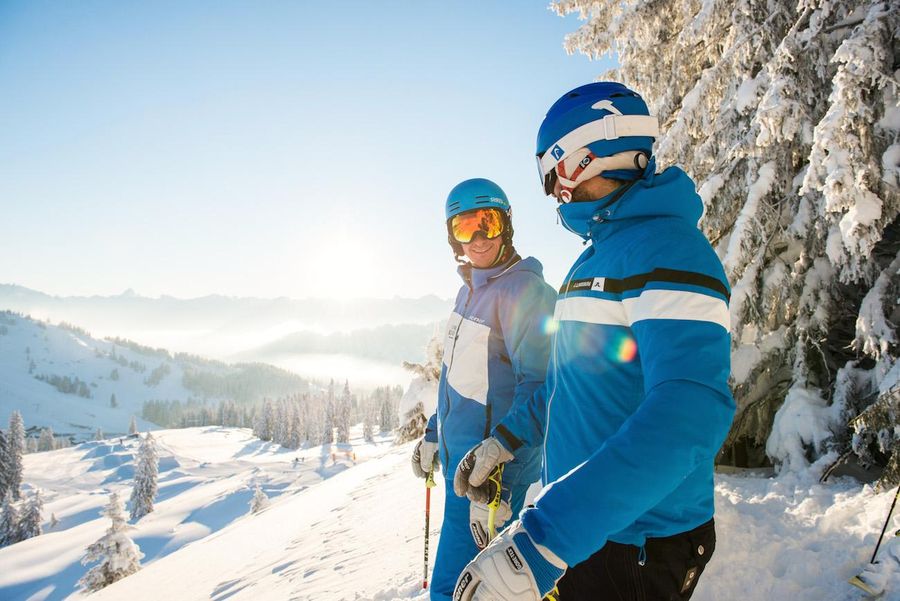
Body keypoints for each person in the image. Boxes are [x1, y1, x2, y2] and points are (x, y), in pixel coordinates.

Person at [452, 82, 736, 601]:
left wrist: (547, 538)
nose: (553, 191)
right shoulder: (600, 254)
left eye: (553, 172)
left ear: (589, 153)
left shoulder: (668, 249)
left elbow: (691, 409)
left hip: (641, 541)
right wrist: (504, 442)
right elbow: (567, 383)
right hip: (590, 530)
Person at [410, 178, 556, 601]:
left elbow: (543, 386)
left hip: (493, 482)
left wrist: (500, 456)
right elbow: (458, 377)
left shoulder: (525, 292)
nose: (477, 239)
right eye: (464, 227)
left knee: (465, 592)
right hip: (463, 472)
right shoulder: (468, 291)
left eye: (486, 223)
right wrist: (435, 432)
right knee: (458, 589)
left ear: (505, 225)